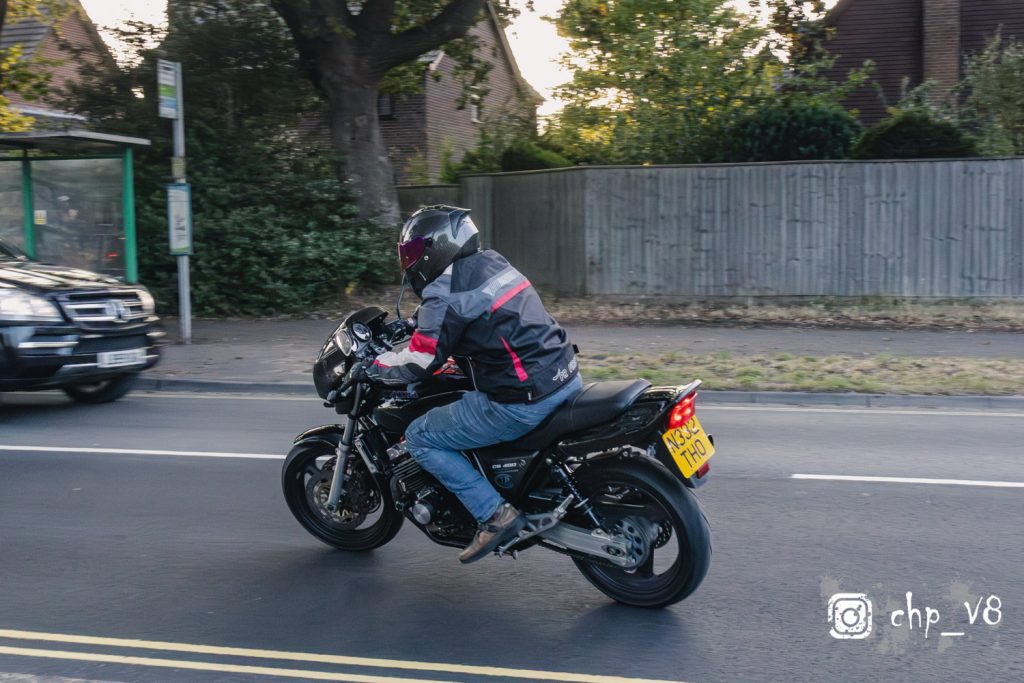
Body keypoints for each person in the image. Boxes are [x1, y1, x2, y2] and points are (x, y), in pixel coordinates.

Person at [364, 205, 582, 563]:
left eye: (413, 251)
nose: (409, 261)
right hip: (564, 375)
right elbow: (471, 308)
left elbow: (420, 360)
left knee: (420, 436)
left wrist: (372, 366)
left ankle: (494, 515)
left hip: (523, 400)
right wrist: (420, 320)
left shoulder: (445, 293)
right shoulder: (492, 263)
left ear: (436, 249)